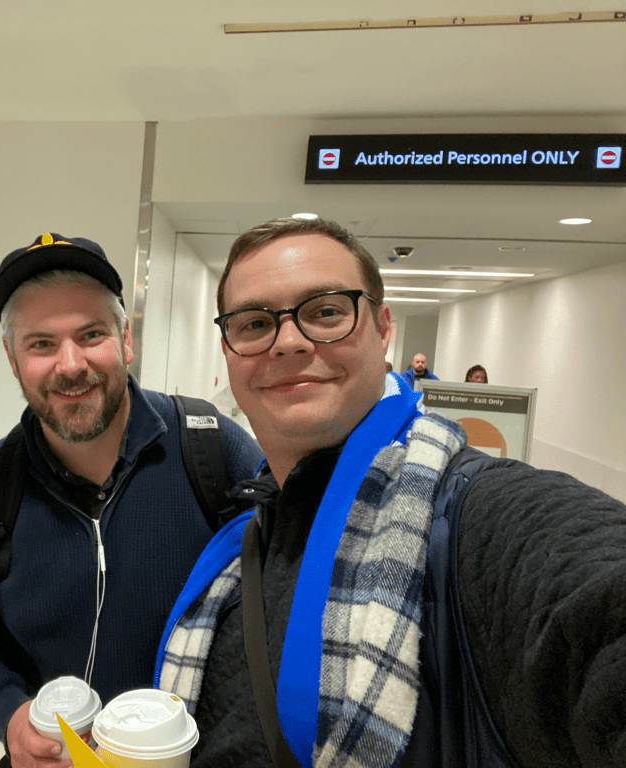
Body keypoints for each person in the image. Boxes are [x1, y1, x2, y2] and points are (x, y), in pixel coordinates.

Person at [154, 217, 626, 767]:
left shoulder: (469, 515)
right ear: (229, 349)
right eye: (255, 322)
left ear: (383, 329)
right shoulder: (244, 540)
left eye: (325, 311)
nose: (287, 341)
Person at [0, 232, 264, 768]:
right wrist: (11, 715)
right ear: (14, 361)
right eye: (40, 344)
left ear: (125, 340)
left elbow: (279, 614)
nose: (70, 363)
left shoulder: (214, 451)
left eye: (90, 334)